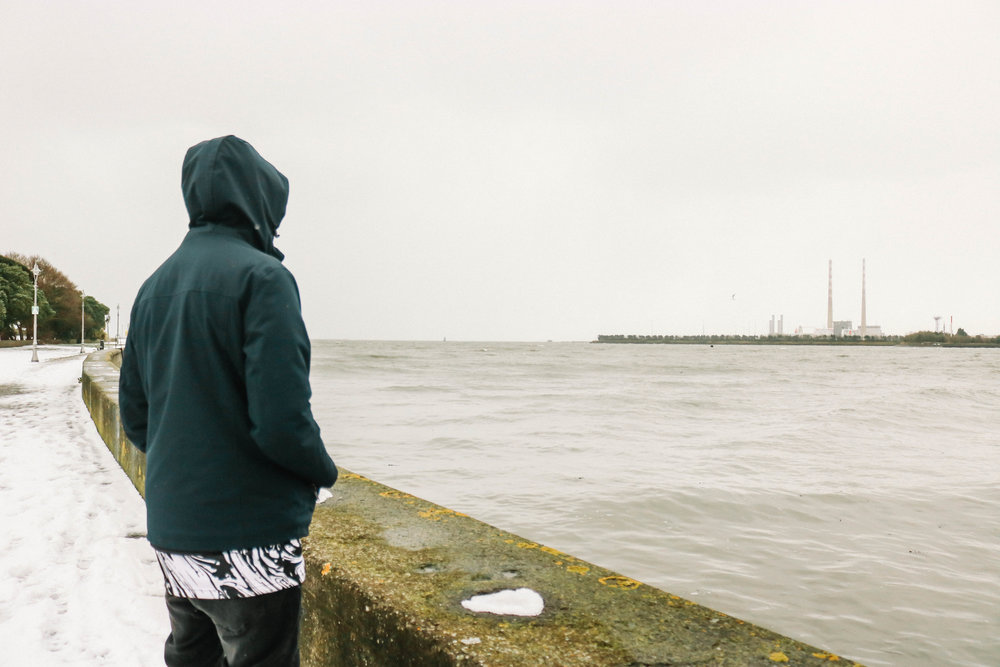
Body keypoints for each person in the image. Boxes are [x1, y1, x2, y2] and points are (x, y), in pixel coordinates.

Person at [119, 135, 337, 667]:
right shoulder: (264, 278)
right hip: (249, 535)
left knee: (192, 657)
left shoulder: (153, 287)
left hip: (175, 530)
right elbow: (282, 421)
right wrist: (323, 473)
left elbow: (136, 418)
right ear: (261, 203)